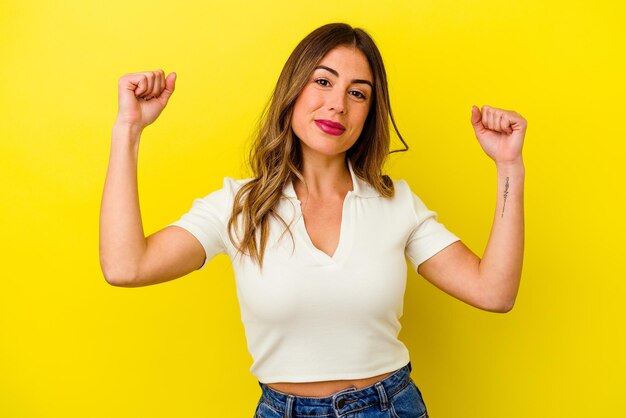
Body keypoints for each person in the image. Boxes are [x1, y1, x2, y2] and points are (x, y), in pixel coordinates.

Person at [100, 22, 526, 418]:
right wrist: (128, 128)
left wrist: (508, 166)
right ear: (294, 90)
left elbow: (494, 292)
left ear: (368, 113)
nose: (337, 105)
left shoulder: (395, 204)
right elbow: (125, 267)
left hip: (389, 407)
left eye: (358, 93)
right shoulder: (239, 205)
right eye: (323, 81)